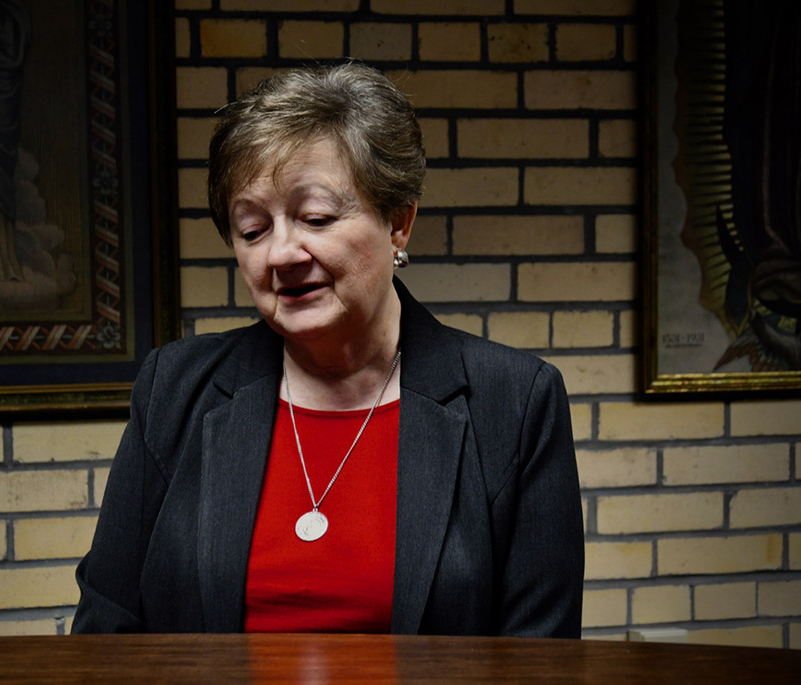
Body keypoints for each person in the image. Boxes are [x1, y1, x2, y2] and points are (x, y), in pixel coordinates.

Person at [72, 63, 584, 636]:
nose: (282, 253)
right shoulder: (174, 388)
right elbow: (106, 628)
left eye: (314, 217)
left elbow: (541, 659)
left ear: (398, 222)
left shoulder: (514, 403)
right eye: (252, 229)